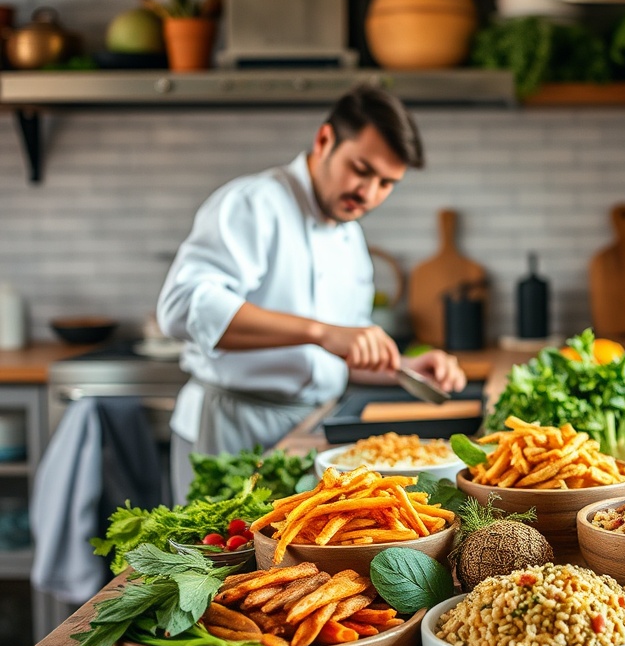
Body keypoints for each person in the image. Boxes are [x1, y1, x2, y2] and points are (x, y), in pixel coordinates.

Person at [157, 84, 466, 503]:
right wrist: (322, 332)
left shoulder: (350, 237)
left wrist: (406, 369)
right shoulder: (255, 203)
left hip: (309, 433)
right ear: (324, 140)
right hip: (230, 427)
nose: (369, 193)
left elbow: (341, 353)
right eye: (361, 169)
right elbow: (182, 307)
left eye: (386, 183)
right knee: (214, 561)